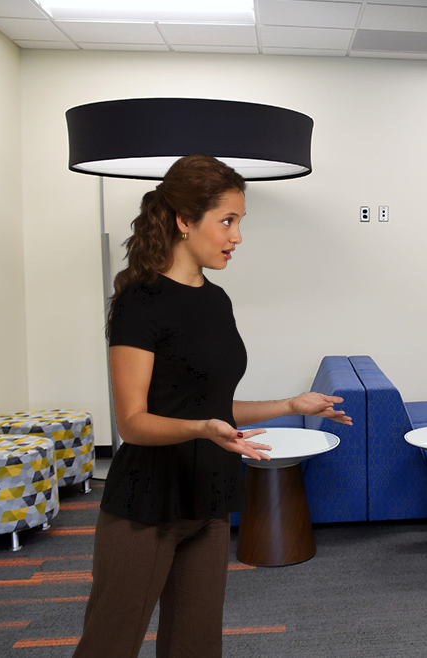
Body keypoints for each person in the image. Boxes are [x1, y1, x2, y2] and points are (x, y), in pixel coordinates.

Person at [73, 154, 352, 658]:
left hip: (209, 497)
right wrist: (202, 428)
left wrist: (291, 403)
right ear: (184, 220)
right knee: (109, 645)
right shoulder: (140, 302)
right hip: (147, 502)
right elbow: (133, 424)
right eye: (227, 221)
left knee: (197, 647)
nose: (237, 236)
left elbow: (214, 408)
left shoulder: (216, 300)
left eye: (239, 222)